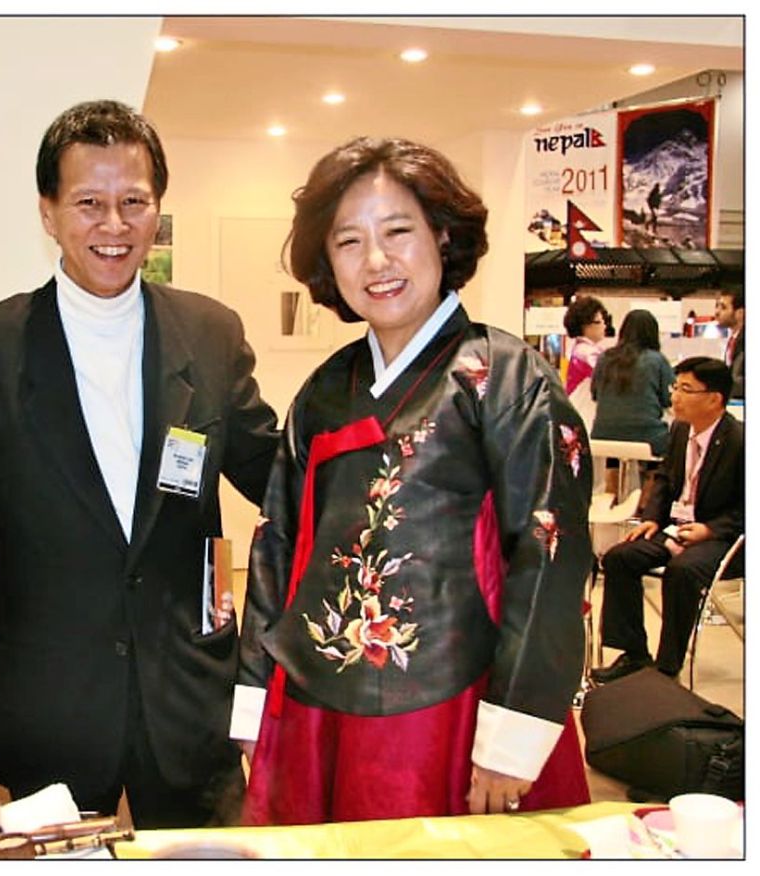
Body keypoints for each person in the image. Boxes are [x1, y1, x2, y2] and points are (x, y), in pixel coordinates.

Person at [0, 100, 280, 829]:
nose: (114, 226)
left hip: (188, 699)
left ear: (159, 207)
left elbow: (275, 474)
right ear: (48, 211)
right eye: (89, 204)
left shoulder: (210, 333)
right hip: (50, 703)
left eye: (134, 202)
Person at [235, 137, 592, 825]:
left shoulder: (506, 380)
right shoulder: (323, 391)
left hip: (460, 712)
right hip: (317, 705)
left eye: (398, 231)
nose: (377, 261)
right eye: (349, 241)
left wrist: (511, 738)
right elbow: (276, 543)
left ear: (443, 235)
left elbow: (549, 554)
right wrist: (256, 698)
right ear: (326, 261)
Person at [591, 357, 744, 683]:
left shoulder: (739, 440)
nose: (674, 396)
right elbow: (664, 479)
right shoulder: (679, 430)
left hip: (721, 538)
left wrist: (710, 529)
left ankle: (667, 666)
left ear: (714, 399)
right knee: (620, 557)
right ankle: (633, 653)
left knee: (683, 571)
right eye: (675, 386)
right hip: (675, 527)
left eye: (685, 389)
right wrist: (651, 518)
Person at [591, 308, 675, 457]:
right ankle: (650, 480)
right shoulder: (657, 360)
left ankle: (614, 480)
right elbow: (670, 400)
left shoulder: (604, 358)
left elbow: (595, 395)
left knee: (613, 463)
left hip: (603, 434)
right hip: (648, 437)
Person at [562, 294, 609, 396]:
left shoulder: (580, 349)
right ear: (585, 325)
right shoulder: (587, 353)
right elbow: (608, 379)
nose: (604, 326)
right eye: (598, 322)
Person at [715, 287, 745, 399]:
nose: (716, 312)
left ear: (740, 313)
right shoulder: (732, 339)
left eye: (723, 307)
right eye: (717, 306)